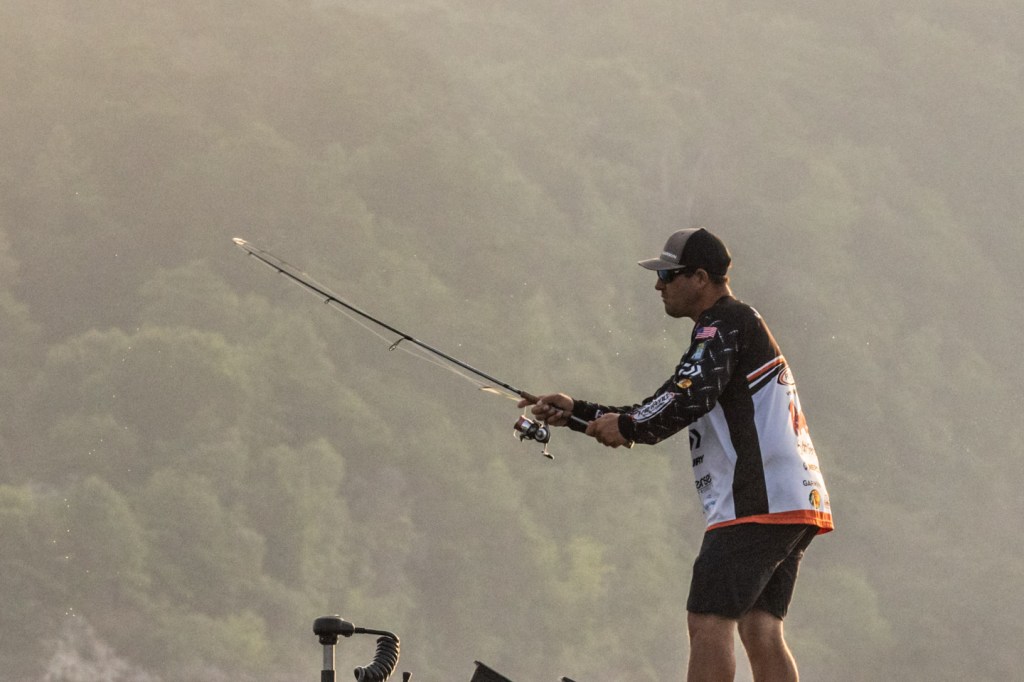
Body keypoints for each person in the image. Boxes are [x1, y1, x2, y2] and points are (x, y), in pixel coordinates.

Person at [520, 227, 833, 682]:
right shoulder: (734, 326)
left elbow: (688, 396)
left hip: (757, 499)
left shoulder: (722, 324)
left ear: (700, 278)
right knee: (760, 626)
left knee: (707, 619)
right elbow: (672, 397)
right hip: (793, 499)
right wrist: (578, 413)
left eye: (668, 275)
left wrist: (628, 427)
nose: (658, 285)